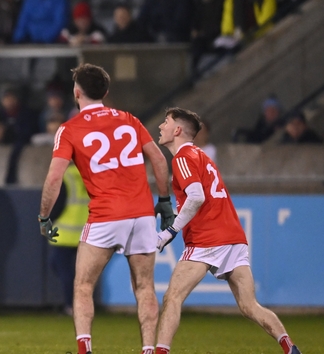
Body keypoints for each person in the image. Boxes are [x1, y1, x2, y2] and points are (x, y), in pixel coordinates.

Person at [37, 63, 171, 354]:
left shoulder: (69, 129)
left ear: (76, 92)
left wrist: (44, 216)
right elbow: (160, 161)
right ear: (106, 92)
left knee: (83, 285)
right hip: (142, 213)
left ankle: (85, 349)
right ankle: (149, 348)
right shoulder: (129, 120)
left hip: (106, 215)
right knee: (145, 286)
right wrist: (164, 201)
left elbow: (54, 178)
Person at [155, 107, 303, 354]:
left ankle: (159, 351)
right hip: (233, 237)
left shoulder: (182, 157)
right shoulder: (201, 156)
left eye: (166, 122)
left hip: (206, 239)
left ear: (178, 130)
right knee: (249, 305)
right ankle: (290, 348)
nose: (161, 126)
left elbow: (195, 197)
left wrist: (171, 230)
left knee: (173, 297)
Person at [47, 162, 90, 316]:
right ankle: (79, 304)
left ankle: (70, 306)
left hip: (65, 231)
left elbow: (58, 204)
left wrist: (48, 219)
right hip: (85, 231)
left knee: (64, 270)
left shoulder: (66, 176)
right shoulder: (88, 174)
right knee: (75, 272)